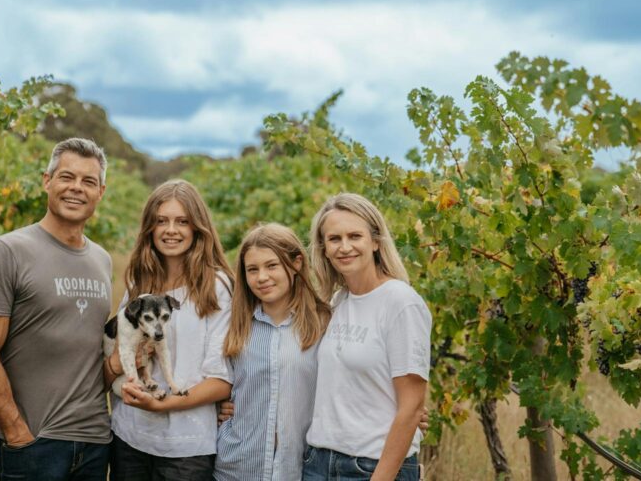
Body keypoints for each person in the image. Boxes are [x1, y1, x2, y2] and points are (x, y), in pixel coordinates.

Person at [0, 138, 114, 481]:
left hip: (95, 443)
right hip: (34, 447)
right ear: (47, 181)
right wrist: (16, 432)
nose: (77, 188)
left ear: (101, 192)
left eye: (88, 181)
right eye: (67, 177)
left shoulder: (102, 260)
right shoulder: (7, 251)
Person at [109, 179, 234, 481]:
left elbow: (221, 381)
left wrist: (162, 405)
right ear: (150, 228)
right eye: (161, 221)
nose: (171, 230)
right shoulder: (137, 287)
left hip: (186, 450)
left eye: (182, 221)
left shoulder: (216, 288)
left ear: (197, 228)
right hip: (129, 438)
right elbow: (116, 360)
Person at [302, 193, 431, 481]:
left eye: (354, 236)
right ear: (324, 249)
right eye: (334, 239)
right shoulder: (337, 301)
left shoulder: (400, 303)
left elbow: (411, 407)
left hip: (370, 467)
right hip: (318, 462)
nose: (344, 247)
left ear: (375, 241)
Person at [214, 223, 332, 481]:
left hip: (299, 469)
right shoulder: (234, 324)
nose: (262, 277)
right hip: (238, 468)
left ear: (296, 263)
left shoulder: (324, 323)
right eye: (252, 270)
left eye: (272, 265)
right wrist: (217, 409)